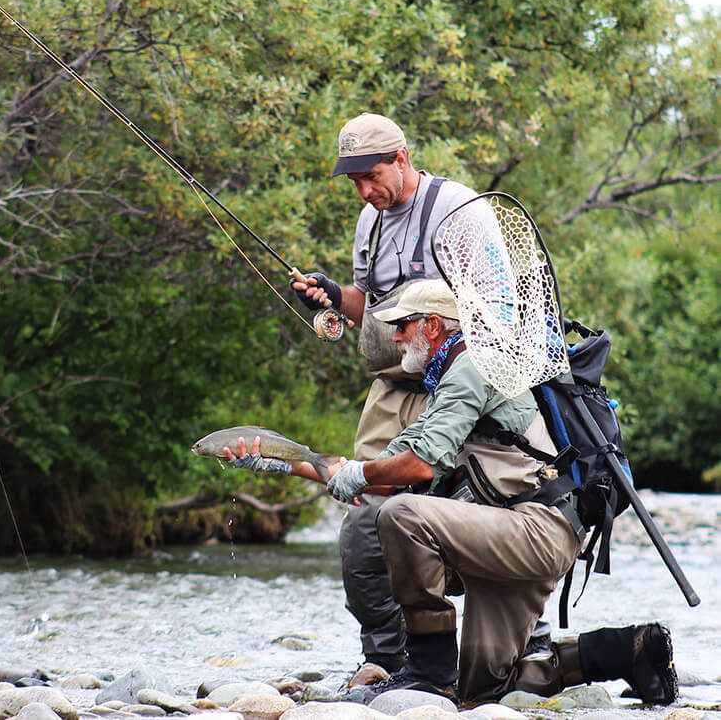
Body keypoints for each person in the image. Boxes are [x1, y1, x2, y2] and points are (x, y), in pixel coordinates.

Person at [324, 278, 678, 706]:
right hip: (518, 532)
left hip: (535, 530)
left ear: (433, 326)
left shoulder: (471, 368)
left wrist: (359, 476)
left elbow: (417, 464)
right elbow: (392, 469)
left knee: (401, 517)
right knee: (486, 690)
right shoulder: (450, 381)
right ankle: (630, 649)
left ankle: (429, 671)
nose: (395, 336)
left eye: (403, 325)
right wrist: (291, 461)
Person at [288, 113, 550, 676]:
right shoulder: (369, 220)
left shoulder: (460, 212)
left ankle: (528, 632)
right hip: (394, 380)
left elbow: (501, 309)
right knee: (366, 505)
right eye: (354, 181)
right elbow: (374, 309)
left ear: (402, 159)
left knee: (482, 497)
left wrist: (466, 383)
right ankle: (387, 657)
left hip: (466, 377)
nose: (364, 190)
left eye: (371, 175)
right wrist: (334, 296)